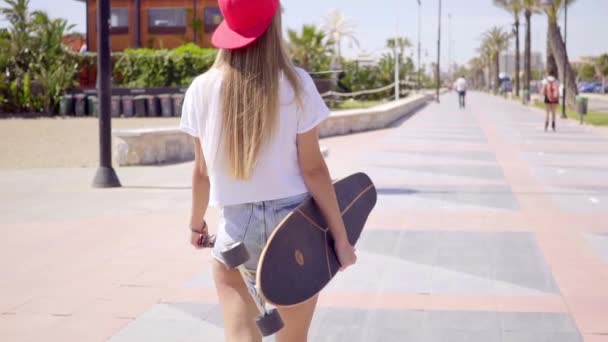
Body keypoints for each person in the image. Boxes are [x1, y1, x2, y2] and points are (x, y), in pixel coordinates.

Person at [179, 0, 357, 341]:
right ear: (274, 23)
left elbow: (201, 172)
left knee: (242, 335)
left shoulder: (201, 88)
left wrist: (196, 224)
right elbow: (315, 169)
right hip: (294, 229)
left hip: (236, 231)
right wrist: (341, 239)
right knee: (292, 338)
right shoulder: (297, 83)